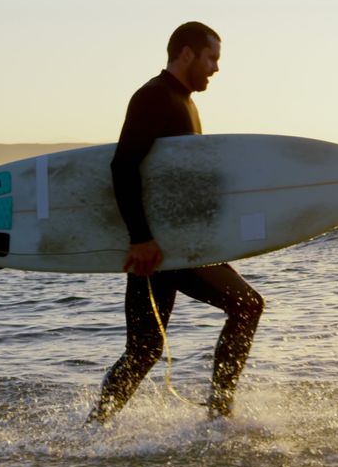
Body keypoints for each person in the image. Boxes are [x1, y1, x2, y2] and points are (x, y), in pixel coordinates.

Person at [87, 22, 264, 424]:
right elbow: (123, 166)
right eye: (212, 58)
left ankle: (94, 430)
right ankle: (219, 417)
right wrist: (141, 238)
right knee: (246, 306)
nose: (216, 68)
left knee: (146, 348)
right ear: (187, 53)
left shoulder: (183, 101)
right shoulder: (154, 97)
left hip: (176, 244)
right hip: (159, 247)